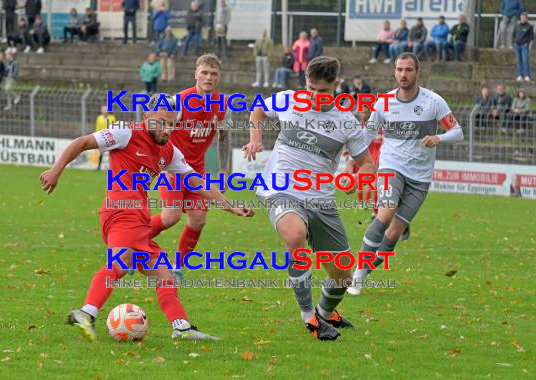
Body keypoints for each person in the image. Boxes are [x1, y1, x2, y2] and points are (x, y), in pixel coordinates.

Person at [39, 94, 254, 342]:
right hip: (121, 212)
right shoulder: (125, 133)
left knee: (165, 274)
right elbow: (82, 142)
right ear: (146, 118)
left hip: (138, 218)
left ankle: (181, 328)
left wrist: (231, 207)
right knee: (120, 263)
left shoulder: (169, 151)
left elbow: (197, 182)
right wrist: (56, 171)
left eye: (172, 124)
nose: (167, 129)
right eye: (161, 122)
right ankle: (86, 312)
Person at [242, 56, 376, 340]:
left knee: (343, 276)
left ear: (336, 86)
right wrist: (256, 138)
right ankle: (309, 318)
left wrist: (361, 177)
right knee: (294, 236)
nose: (314, 97)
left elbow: (366, 162)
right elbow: (257, 111)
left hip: (321, 199)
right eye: (310, 88)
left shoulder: (346, 121)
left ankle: (325, 313)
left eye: (323, 91)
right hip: (282, 189)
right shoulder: (288, 100)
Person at [348, 52, 464, 296]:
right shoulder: (383, 102)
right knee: (386, 212)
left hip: (420, 177)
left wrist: (438, 137)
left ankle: (364, 272)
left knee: (393, 234)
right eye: (399, 69)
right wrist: (353, 159)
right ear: (394, 72)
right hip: (392, 166)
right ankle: (357, 273)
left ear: (417, 72)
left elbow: (457, 131)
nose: (403, 74)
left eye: (408, 70)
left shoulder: (434, 101)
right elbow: (368, 134)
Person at [149, 54, 232, 280]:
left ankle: (177, 268)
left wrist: (224, 171)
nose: (208, 77)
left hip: (198, 172)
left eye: (213, 74)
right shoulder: (178, 102)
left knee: (198, 219)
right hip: (173, 170)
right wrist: (157, 161)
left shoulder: (224, 105)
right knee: (170, 217)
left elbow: (224, 139)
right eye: (204, 72)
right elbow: (155, 126)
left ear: (219, 77)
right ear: (195, 74)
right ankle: (132, 240)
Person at [512, 12, 534, 82]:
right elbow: (513, 35)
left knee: (525, 61)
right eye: (522, 17)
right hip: (517, 45)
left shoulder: (529, 26)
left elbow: (531, 36)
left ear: (526, 18)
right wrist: (514, 43)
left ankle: (527, 75)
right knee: (519, 61)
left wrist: (527, 43)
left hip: (524, 46)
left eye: (524, 17)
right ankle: (520, 75)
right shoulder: (517, 26)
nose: (523, 19)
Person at [94, 105, 116, 170]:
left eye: (106, 109)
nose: (104, 111)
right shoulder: (99, 118)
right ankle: (99, 166)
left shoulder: (112, 117)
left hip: (110, 137)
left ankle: (111, 167)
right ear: (101, 110)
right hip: (101, 137)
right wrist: (96, 137)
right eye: (103, 109)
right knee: (101, 152)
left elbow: (114, 127)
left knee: (111, 153)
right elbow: (97, 128)